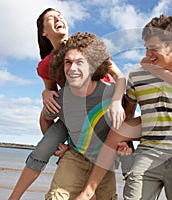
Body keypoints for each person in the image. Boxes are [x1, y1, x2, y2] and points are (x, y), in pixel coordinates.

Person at [76, 14, 172, 200]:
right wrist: (126, 143)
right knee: (117, 131)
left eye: (154, 48)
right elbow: (130, 111)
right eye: (146, 48)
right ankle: (88, 191)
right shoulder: (138, 76)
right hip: (148, 152)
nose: (148, 53)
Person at [8, 8, 126, 200]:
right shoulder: (46, 65)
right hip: (73, 113)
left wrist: (115, 101)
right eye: (51, 18)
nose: (58, 18)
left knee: (120, 151)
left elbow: (120, 76)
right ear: (43, 32)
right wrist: (45, 93)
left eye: (60, 15)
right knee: (44, 148)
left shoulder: (86, 45)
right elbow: (52, 92)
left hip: (103, 107)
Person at [42, 32, 118, 199]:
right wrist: (57, 144)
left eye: (80, 62)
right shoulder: (60, 98)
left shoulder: (111, 94)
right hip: (75, 156)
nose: (73, 68)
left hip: (104, 162)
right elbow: (45, 118)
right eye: (68, 62)